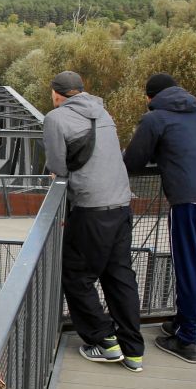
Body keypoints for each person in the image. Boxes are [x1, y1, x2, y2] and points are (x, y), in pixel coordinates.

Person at [124, 73, 196, 364]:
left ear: (150, 97)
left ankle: (187, 341)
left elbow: (132, 162)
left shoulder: (155, 119)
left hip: (190, 201)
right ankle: (181, 322)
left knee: (188, 270)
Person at [44, 70, 144, 372]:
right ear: (81, 90)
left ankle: (104, 341)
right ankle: (134, 351)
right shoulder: (103, 111)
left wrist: (59, 175)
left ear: (56, 94)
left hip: (91, 207)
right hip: (121, 205)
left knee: (76, 275)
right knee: (119, 277)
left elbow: (58, 166)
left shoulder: (55, 118)